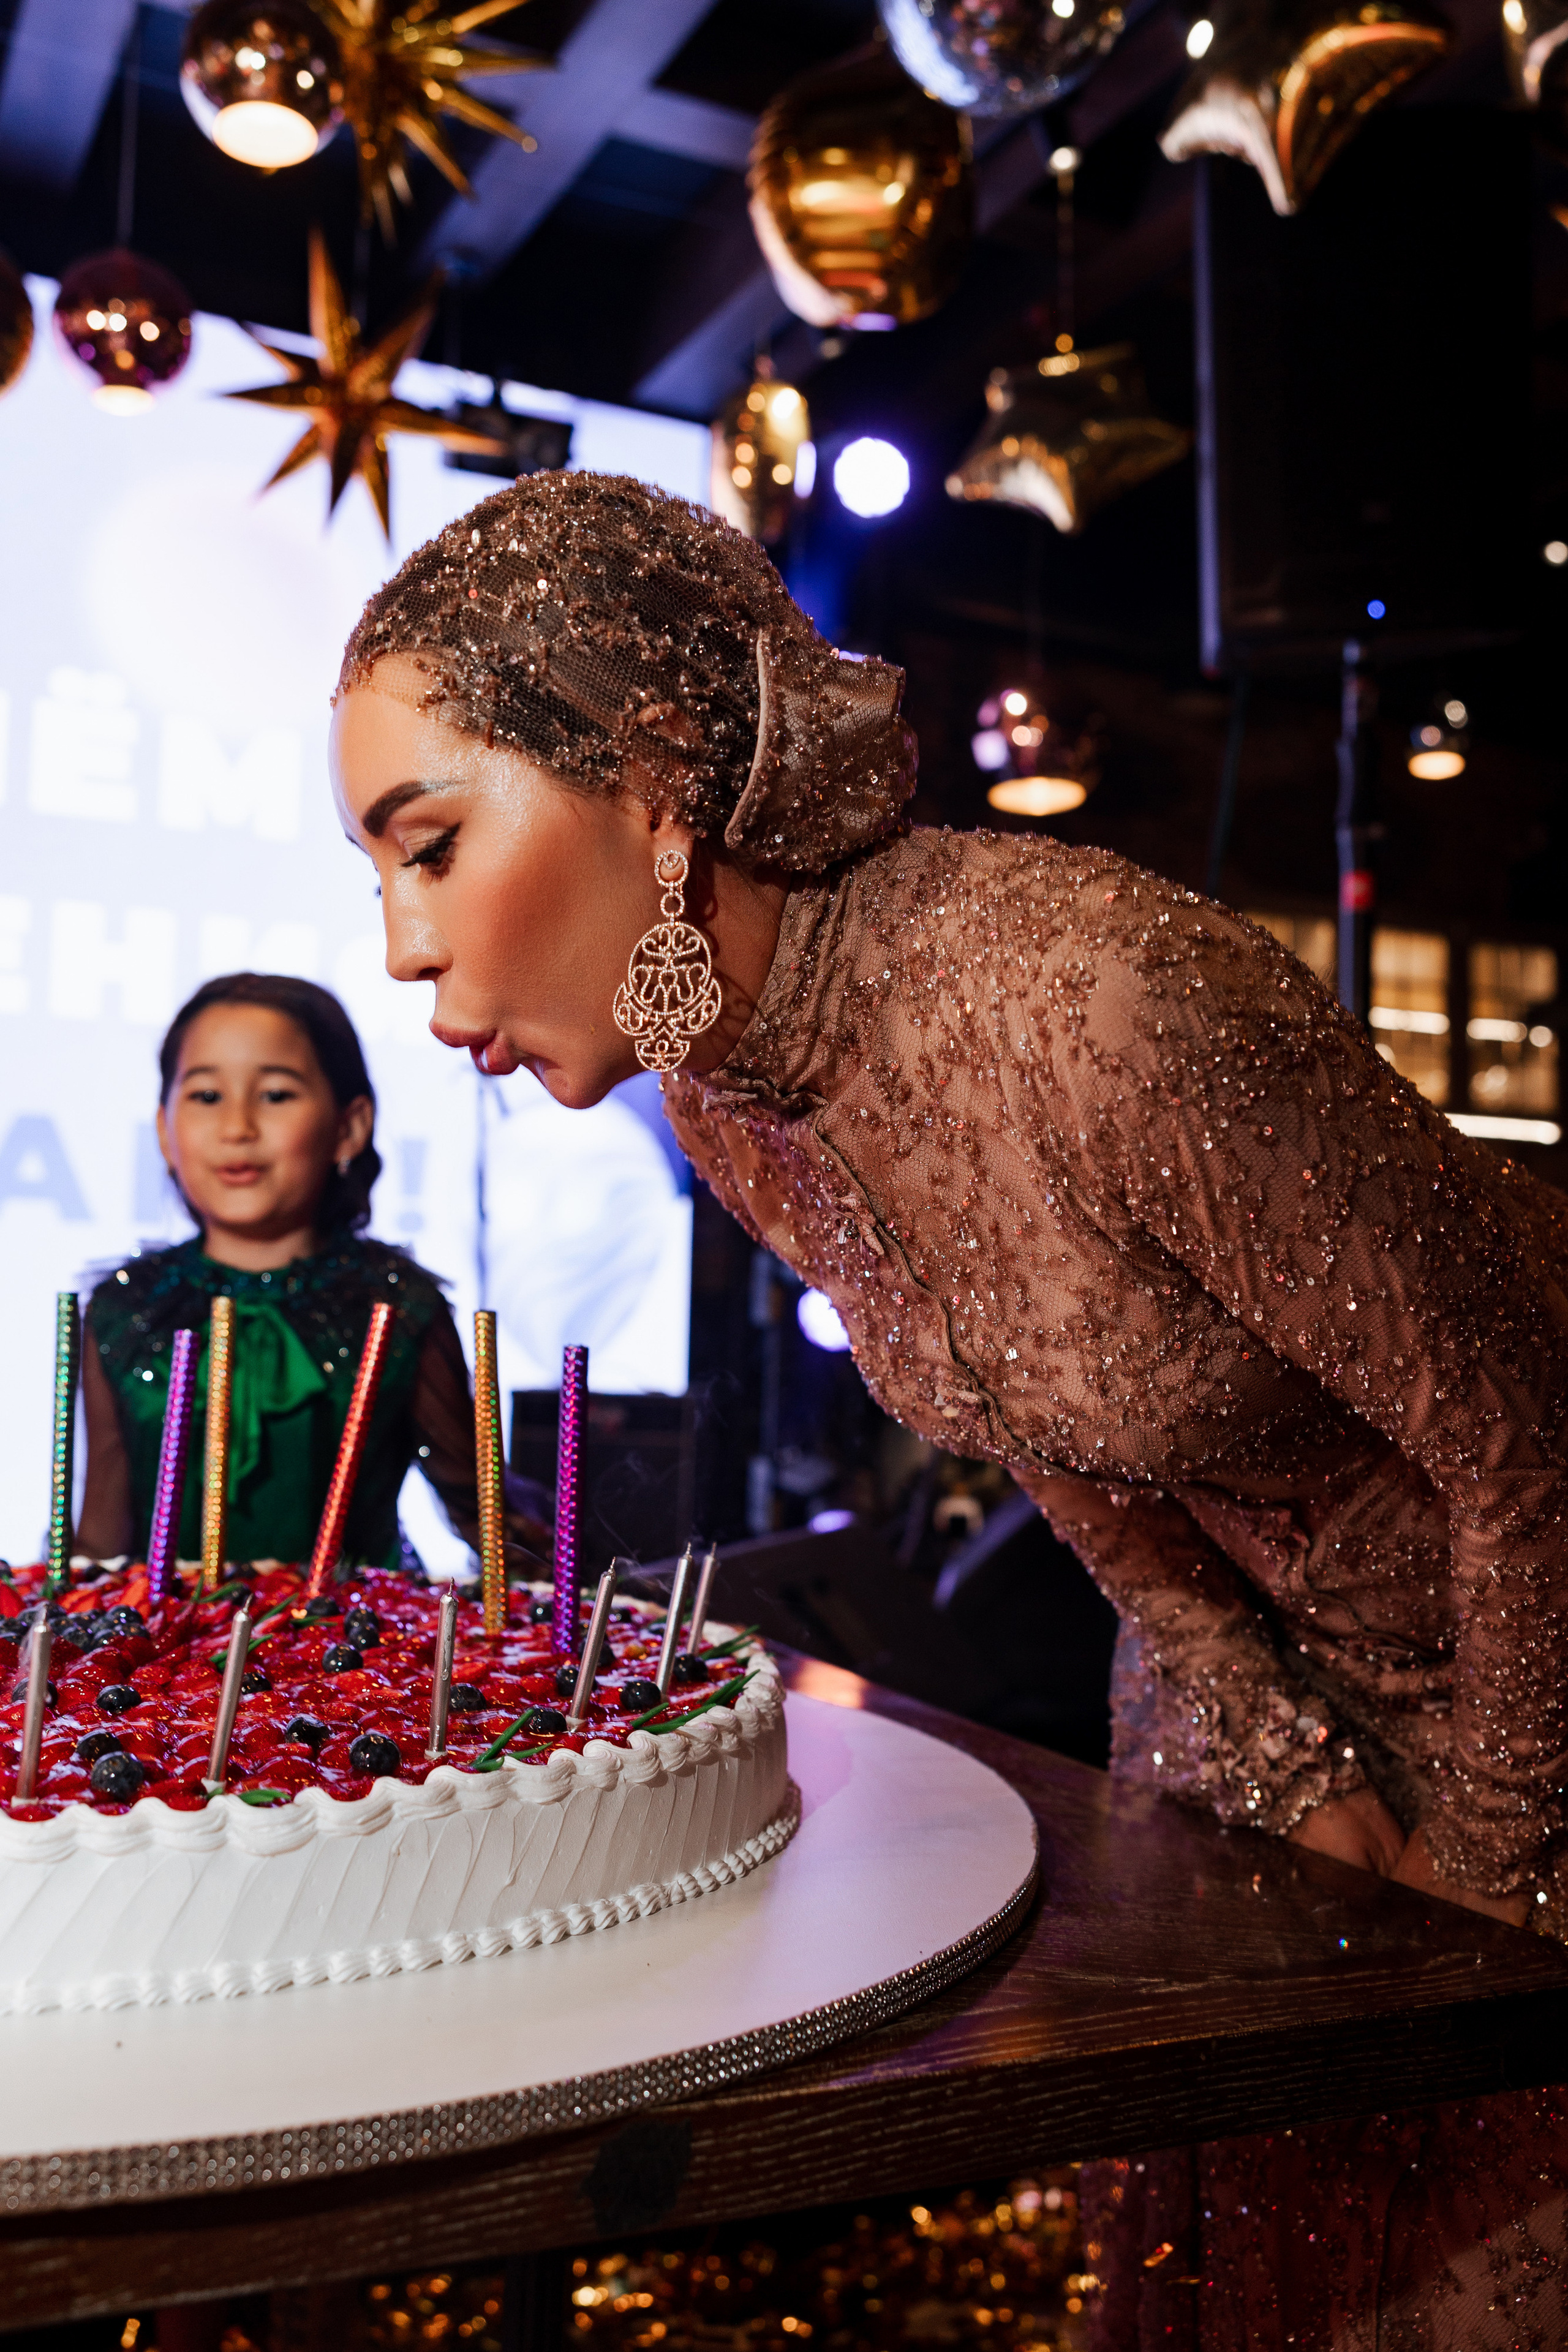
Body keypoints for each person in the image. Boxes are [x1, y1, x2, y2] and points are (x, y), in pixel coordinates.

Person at [327, 470, 1568, 2344]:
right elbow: (1056, 1446)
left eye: (427, 846)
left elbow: (1526, 1436)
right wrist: (1288, 1762)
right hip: (1240, 1683)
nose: (404, 947)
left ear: (655, 788)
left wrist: (1479, 1860)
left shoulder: (1104, 1007)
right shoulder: (720, 1092)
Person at [79, 971, 545, 1575]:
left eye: (275, 1095)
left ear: (349, 1126)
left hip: (353, 1654)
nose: (238, 1127)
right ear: (165, 1131)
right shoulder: (126, 1309)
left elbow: (484, 1516)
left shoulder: (398, 1306)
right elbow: (100, 1541)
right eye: (205, 1096)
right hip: (173, 1658)